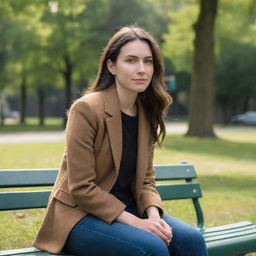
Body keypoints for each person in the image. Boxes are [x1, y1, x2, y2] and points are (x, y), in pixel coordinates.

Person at [33, 26, 208, 256]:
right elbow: (81, 188)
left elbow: (146, 180)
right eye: (131, 61)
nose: (142, 69)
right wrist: (138, 224)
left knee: (192, 240)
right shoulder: (86, 109)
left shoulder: (146, 112)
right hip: (79, 217)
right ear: (111, 66)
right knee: (152, 247)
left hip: (133, 211)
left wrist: (153, 216)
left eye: (148, 61)